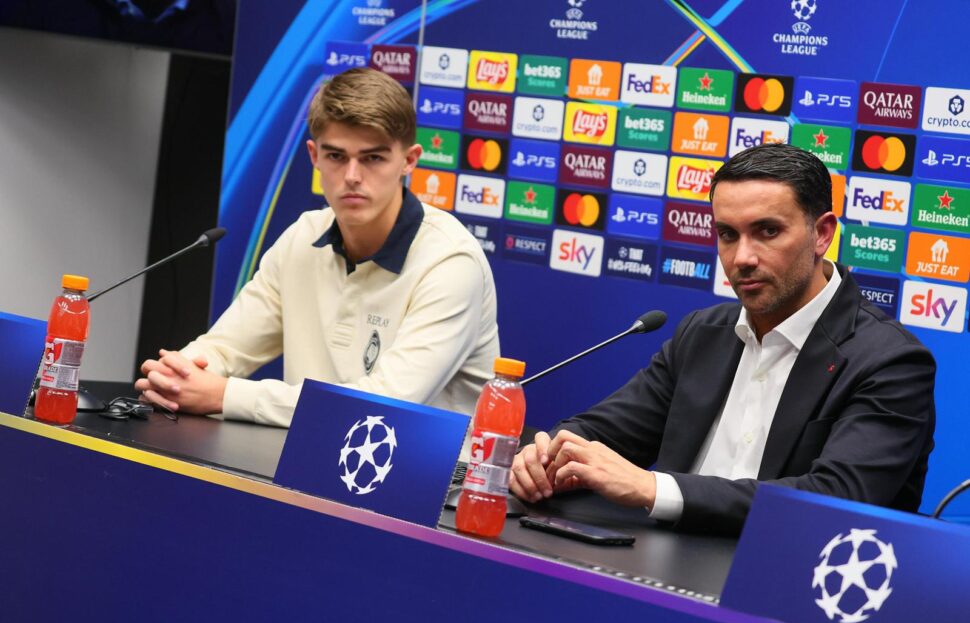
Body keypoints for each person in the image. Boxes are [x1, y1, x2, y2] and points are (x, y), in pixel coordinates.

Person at [510, 143, 935, 535]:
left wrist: (654, 489)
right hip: (661, 567)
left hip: (789, 578)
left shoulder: (889, 361)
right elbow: (606, 432)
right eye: (728, 234)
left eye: (768, 231)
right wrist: (550, 454)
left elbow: (834, 499)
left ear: (821, 234)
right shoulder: (703, 333)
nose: (742, 258)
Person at [136, 67, 500, 427]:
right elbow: (225, 347)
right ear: (314, 156)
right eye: (336, 156)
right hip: (306, 454)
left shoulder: (450, 262)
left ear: (409, 160)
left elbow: (385, 404)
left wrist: (225, 395)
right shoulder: (303, 236)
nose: (352, 176)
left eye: (373, 158)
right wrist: (176, 376)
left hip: (425, 464)